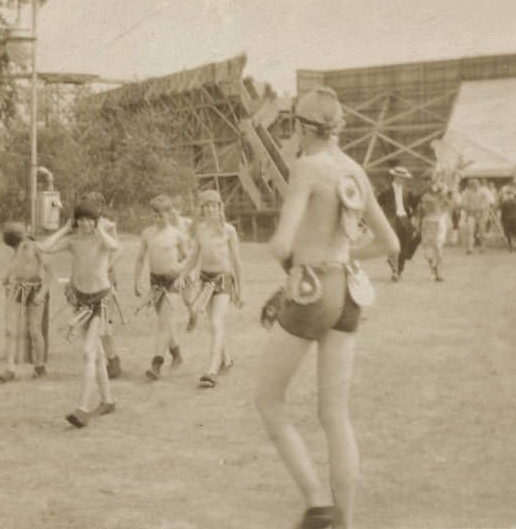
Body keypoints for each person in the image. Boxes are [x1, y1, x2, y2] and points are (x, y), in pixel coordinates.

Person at [255, 86, 399, 529]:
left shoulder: (307, 167)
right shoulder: (353, 169)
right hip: (348, 292)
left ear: (301, 127)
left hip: (312, 287)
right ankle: (347, 523)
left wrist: (292, 260)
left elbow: (281, 243)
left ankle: (318, 505)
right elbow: (391, 244)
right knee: (335, 414)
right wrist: (345, 258)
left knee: (268, 400)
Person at [38, 203, 119, 429]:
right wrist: (64, 229)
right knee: (98, 355)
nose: (84, 223)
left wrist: (102, 229)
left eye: (89, 220)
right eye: (80, 219)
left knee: (88, 352)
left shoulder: (101, 239)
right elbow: (44, 247)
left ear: (95, 221)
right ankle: (108, 401)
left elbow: (113, 246)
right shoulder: (73, 241)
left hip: (100, 301)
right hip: (82, 301)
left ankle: (82, 409)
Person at [177, 189, 243, 388]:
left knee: (216, 322)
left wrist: (241, 289)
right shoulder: (200, 229)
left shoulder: (229, 230)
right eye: (206, 206)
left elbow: (237, 262)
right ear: (202, 210)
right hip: (205, 281)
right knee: (214, 324)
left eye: (214, 205)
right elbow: (194, 256)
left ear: (220, 208)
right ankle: (226, 359)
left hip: (224, 280)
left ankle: (211, 370)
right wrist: (182, 274)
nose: (210, 209)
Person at [134, 195, 191, 380]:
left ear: (169, 214)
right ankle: (177, 353)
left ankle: (156, 363)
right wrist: (136, 280)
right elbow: (140, 258)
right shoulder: (147, 233)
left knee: (163, 324)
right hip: (155, 281)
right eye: (155, 215)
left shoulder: (177, 234)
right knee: (166, 322)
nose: (158, 219)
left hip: (172, 282)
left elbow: (189, 259)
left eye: (162, 215)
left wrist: (180, 271)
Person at [0, 223, 52, 382]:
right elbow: (15, 265)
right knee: (10, 329)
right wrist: (6, 277)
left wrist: (41, 293)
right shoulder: (17, 250)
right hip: (17, 289)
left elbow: (49, 274)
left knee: (34, 330)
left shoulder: (37, 247)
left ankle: (40, 365)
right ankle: (10, 369)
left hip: (35, 289)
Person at [79, 191, 124, 378]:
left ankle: (113, 362)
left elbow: (117, 250)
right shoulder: (85, 226)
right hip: (88, 280)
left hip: (105, 279)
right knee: (88, 323)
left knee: (104, 323)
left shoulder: (106, 225)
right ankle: (103, 360)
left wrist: (107, 266)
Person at [376, 165, 417, 280]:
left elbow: (413, 205)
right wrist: (382, 219)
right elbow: (377, 205)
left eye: (404, 178)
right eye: (400, 177)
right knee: (394, 244)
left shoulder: (407, 192)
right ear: (394, 177)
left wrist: (413, 217)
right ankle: (395, 270)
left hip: (404, 219)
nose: (402, 180)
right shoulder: (386, 192)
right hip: (391, 219)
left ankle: (399, 267)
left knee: (407, 243)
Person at [417, 182, 452, 280]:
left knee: (438, 247)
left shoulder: (442, 197)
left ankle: (438, 271)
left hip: (438, 222)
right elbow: (422, 210)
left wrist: (445, 196)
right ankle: (433, 269)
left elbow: (450, 206)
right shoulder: (426, 197)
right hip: (428, 223)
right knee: (428, 250)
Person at [459, 178, 489, 254]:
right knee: (470, 231)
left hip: (481, 214)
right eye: (473, 185)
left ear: (478, 185)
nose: (475, 186)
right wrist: (468, 209)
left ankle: (483, 247)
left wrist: (483, 211)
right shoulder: (467, 193)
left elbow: (487, 203)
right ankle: (470, 248)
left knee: (482, 231)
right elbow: (463, 203)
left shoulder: (483, 192)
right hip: (471, 214)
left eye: (476, 184)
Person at [498, 184, 516, 252]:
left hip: (507, 219)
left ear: (506, 195)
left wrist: (501, 220)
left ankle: (510, 245)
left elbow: (503, 213)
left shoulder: (504, 202)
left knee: (508, 233)